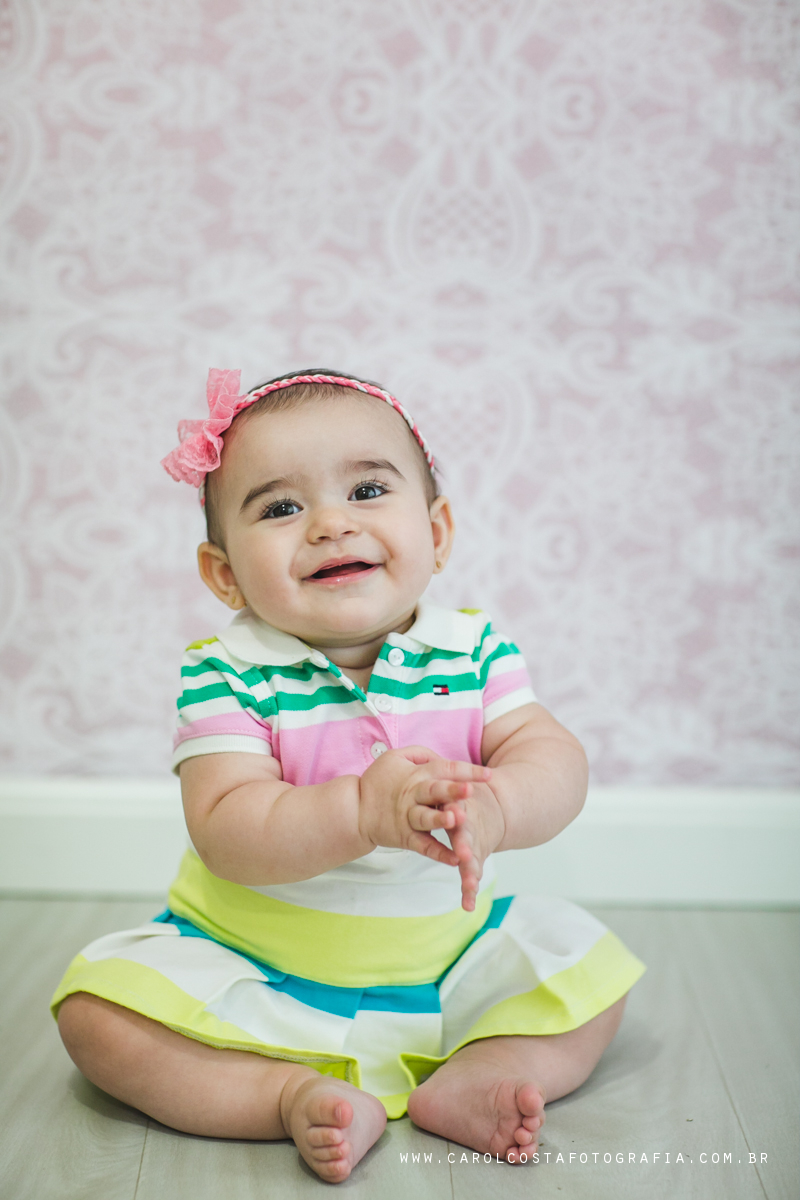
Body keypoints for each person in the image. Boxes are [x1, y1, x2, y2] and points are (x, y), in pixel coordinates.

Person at [52, 368, 645, 1182]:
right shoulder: (229, 672)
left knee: (596, 976)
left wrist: (502, 807)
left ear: (436, 532)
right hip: (253, 966)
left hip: (447, 958)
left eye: (367, 489)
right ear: (224, 574)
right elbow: (226, 827)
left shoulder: (471, 651)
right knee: (96, 1017)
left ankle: (472, 1079)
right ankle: (282, 1091)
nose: (330, 523)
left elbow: (553, 757)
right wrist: (359, 813)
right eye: (281, 508)